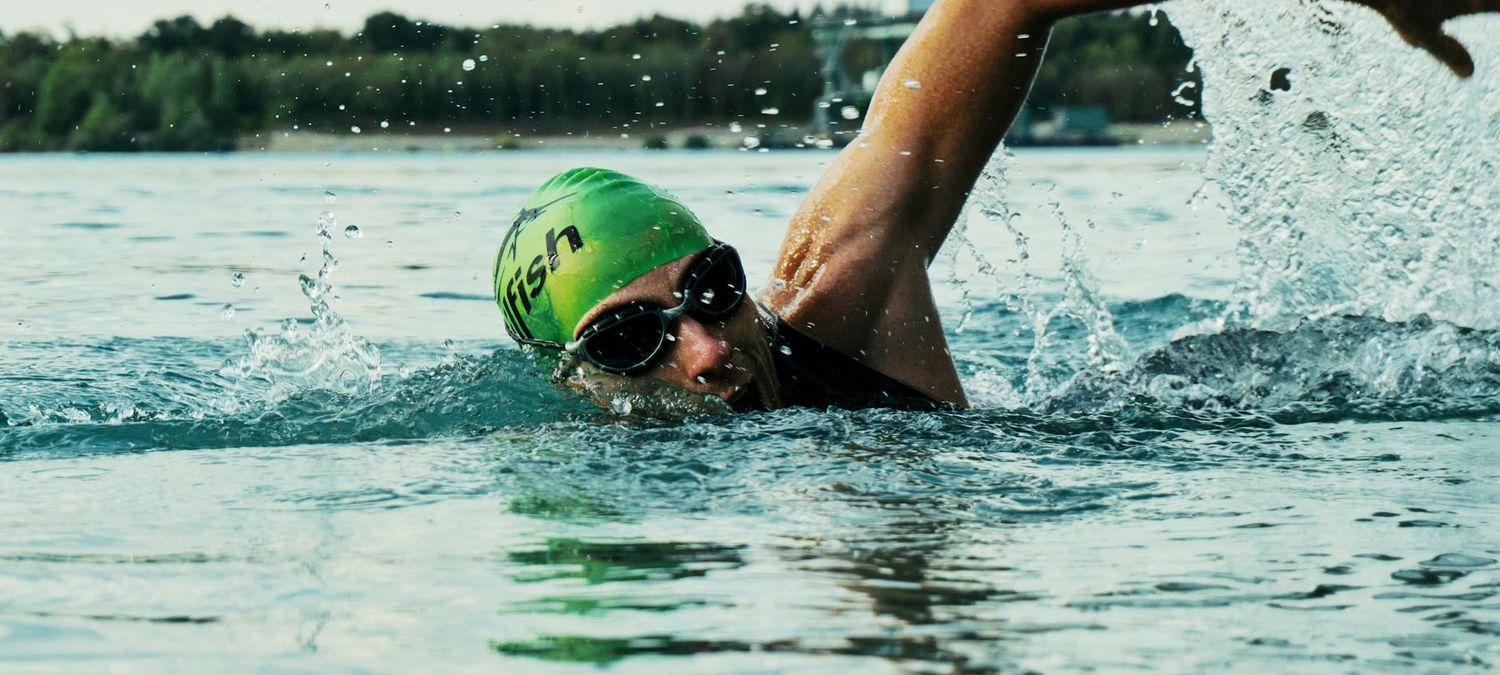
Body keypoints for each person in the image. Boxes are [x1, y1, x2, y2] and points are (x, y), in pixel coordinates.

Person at [494, 0, 1497, 412]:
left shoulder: (840, 283)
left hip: (1232, 385)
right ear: (572, 379)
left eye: (711, 291)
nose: (706, 351)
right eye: (632, 341)